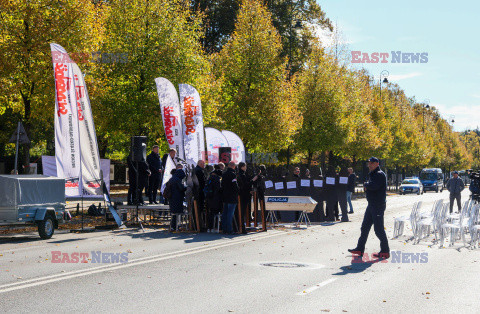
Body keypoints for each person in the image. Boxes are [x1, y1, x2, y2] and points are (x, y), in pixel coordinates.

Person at [349, 157, 390, 259]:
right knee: (365, 227)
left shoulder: (379, 174)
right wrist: (367, 185)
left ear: (377, 163)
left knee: (378, 229)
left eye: (372, 163)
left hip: (378, 205)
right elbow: (371, 186)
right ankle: (359, 249)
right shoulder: (373, 174)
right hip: (371, 204)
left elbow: (373, 186)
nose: (369, 165)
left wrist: (366, 184)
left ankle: (385, 251)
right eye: (369, 163)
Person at [221, 161, 239, 234]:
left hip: (225, 196)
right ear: (234, 166)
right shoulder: (233, 175)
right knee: (230, 214)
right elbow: (234, 185)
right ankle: (229, 229)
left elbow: (222, 185)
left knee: (225, 213)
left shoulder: (224, 174)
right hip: (232, 196)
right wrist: (238, 190)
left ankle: (224, 228)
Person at [237, 162, 252, 234]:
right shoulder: (242, 175)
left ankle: (240, 227)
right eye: (245, 166)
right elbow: (246, 185)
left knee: (241, 211)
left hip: (240, 194)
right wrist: (252, 180)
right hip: (244, 195)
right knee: (242, 211)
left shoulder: (238, 174)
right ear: (242, 167)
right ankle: (242, 228)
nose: (246, 167)